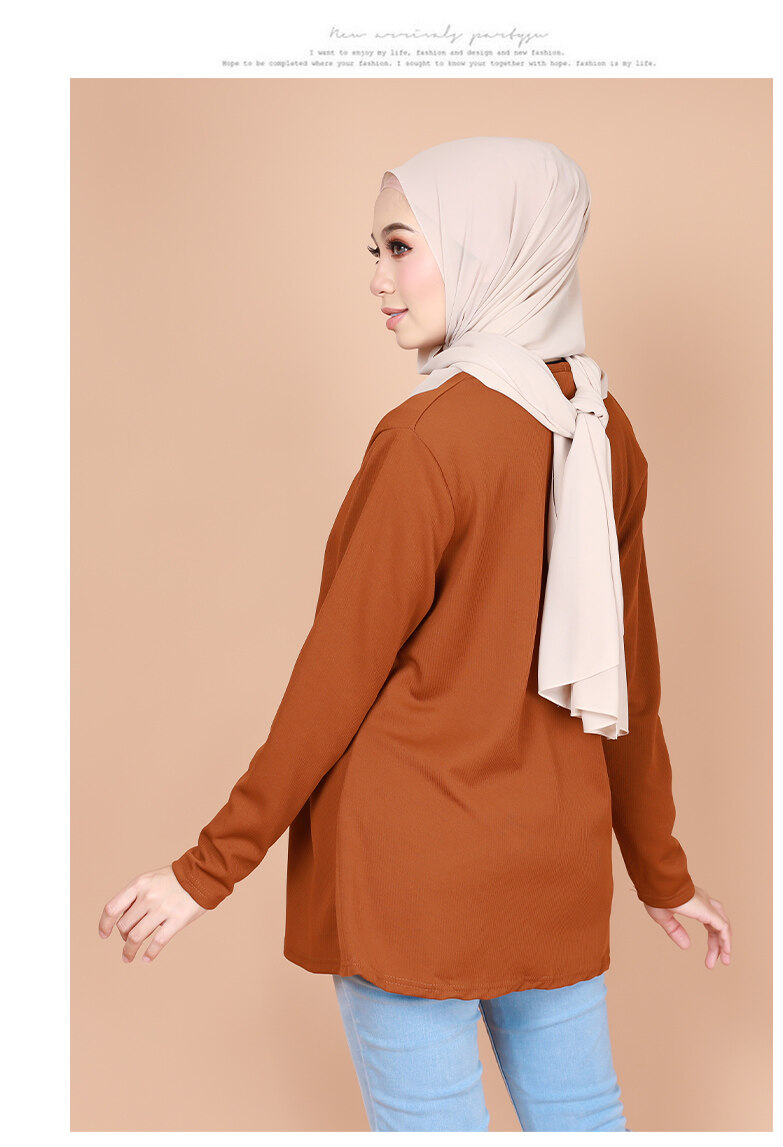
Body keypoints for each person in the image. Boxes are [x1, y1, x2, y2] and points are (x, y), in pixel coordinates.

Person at [98, 137, 732, 1132]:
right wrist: (661, 870)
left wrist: (206, 870)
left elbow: (333, 683)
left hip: (407, 875)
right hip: (550, 867)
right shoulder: (603, 431)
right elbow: (632, 684)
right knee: (583, 1121)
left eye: (401, 246)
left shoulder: (428, 440)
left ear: (490, 249)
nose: (378, 280)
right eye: (376, 251)